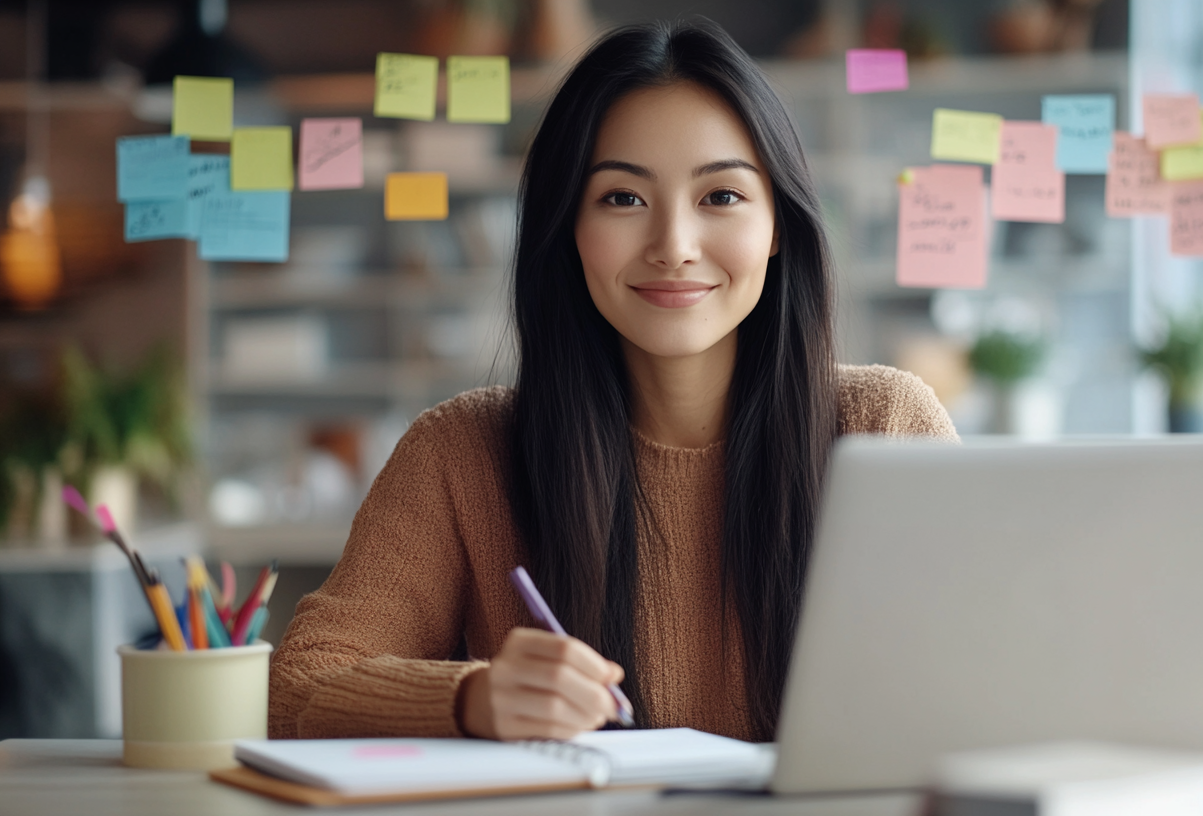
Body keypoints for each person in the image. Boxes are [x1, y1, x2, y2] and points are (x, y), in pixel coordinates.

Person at [269, 18, 957, 745]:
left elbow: (992, 672)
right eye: (622, 199)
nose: (674, 247)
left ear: (778, 224)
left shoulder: (885, 428)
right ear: (567, 227)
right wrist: (474, 698)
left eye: (720, 196)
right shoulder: (462, 452)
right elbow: (297, 688)